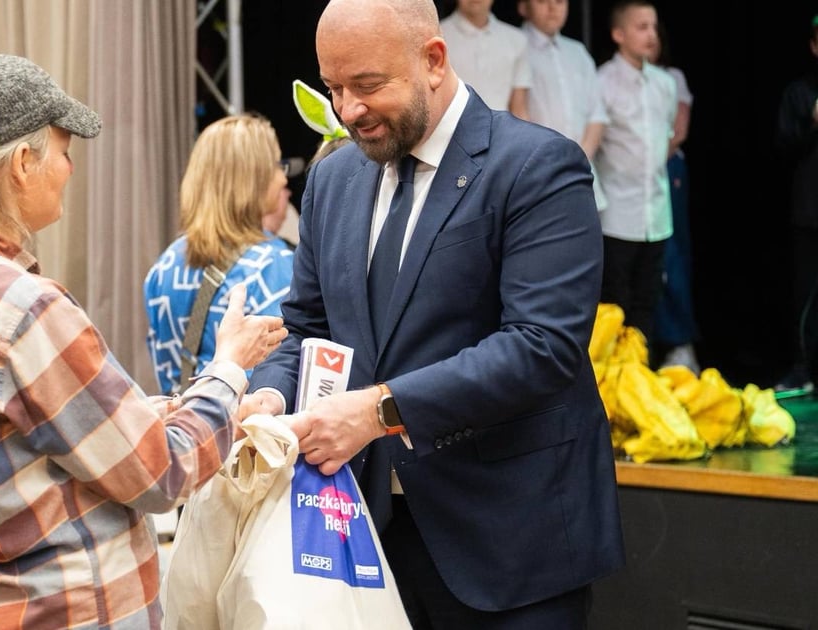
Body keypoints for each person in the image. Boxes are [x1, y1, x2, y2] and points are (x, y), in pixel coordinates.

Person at [240, 0, 625, 626]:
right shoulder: (333, 181)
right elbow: (308, 329)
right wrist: (269, 398)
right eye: (334, 89)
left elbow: (541, 346)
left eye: (367, 86)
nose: (347, 110)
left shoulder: (535, 166)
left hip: (510, 547)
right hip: (368, 545)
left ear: (434, 61)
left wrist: (377, 410)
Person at [0, 53, 285, 628]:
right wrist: (228, 368)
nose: (71, 168)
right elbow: (160, 472)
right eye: (65, 151)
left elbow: (23, 440)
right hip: (66, 612)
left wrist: (163, 412)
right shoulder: (23, 307)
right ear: (23, 163)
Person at [144, 114, 295, 396]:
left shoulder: (164, 266)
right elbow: (283, 370)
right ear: (253, 179)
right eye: (276, 165)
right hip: (244, 433)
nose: (283, 176)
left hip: (186, 429)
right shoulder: (272, 265)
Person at [594, 0, 677, 340]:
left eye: (654, 27)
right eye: (641, 27)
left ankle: (638, 375)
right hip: (616, 214)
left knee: (648, 300)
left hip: (656, 213)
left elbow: (666, 136)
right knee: (615, 304)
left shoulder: (664, 83)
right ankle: (611, 381)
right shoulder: (602, 80)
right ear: (618, 34)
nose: (651, 35)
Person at [518, 0, 609, 211]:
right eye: (542, 1)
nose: (553, 7)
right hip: (535, 176)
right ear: (523, 7)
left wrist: (578, 159)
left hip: (582, 173)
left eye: (559, 1)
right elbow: (516, 112)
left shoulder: (578, 52)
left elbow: (597, 115)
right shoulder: (515, 46)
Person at [650, 21, 700, 373]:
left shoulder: (672, 78)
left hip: (665, 170)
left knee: (673, 256)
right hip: (627, 179)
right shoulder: (613, 78)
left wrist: (645, 164)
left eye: (653, 31)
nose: (648, 38)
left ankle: (681, 345)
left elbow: (678, 131)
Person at [774, 14, 818, 393]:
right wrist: (812, 122)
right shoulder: (799, 93)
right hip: (809, 209)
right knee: (805, 295)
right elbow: (784, 148)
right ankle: (803, 368)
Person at [440, 0, 531, 118]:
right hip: (452, 133)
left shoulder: (517, 40)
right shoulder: (437, 35)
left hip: (501, 133)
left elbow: (519, 108)